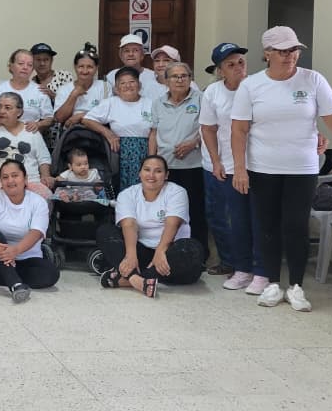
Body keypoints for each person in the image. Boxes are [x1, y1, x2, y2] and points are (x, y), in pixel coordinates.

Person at [230, 26, 332, 312]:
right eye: (282, 51)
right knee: (267, 226)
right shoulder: (251, 85)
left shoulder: (313, 80)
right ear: (267, 53)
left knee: (295, 226)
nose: (290, 55)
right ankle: (271, 283)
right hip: (263, 166)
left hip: (302, 168)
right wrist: (240, 168)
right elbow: (239, 130)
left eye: (294, 50)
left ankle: (295, 286)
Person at [201, 43, 266, 293]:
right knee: (236, 220)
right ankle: (242, 269)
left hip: (260, 165)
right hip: (228, 166)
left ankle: (262, 271)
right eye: (231, 64)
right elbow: (208, 129)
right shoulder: (213, 92)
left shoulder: (258, 87)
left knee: (259, 220)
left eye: (241, 62)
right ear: (220, 71)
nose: (238, 68)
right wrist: (216, 161)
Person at [98, 155, 204, 297]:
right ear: (140, 173)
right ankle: (139, 279)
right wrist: (130, 255)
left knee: (192, 249)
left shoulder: (177, 192)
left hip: (169, 253)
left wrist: (161, 251)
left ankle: (128, 278)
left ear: (166, 175)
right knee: (105, 231)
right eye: (147, 170)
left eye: (158, 171)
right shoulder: (127, 194)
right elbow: (129, 224)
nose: (151, 175)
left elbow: (172, 223)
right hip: (140, 252)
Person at [0, 159, 60, 303]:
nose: (10, 181)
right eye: (5, 177)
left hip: (25, 259)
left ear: (25, 179)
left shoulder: (38, 202)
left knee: (51, 274)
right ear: (1, 181)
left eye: (15, 176)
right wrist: (1, 250)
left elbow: (36, 233)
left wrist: (15, 250)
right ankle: (16, 284)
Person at [148, 61, 208, 260]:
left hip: (193, 166)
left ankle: (199, 256)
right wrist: (152, 161)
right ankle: (167, 253)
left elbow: (209, 129)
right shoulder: (158, 103)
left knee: (195, 212)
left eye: (184, 76)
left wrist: (193, 143)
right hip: (166, 168)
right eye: (175, 76)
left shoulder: (201, 99)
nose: (180, 80)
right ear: (166, 81)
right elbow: (153, 133)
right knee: (166, 212)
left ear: (190, 79)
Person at [83, 66, 155, 191]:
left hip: (144, 151)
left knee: (144, 188)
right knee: (119, 188)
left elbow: (154, 132)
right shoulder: (111, 103)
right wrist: (108, 133)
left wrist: (151, 158)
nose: (128, 86)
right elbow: (87, 119)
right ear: (116, 89)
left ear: (139, 85)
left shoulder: (150, 104)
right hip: (118, 152)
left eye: (132, 82)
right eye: (123, 83)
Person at [0, 92, 54, 201]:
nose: (2, 111)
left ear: (19, 112)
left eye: (7, 108)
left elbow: (43, 159)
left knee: (45, 197)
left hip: (30, 181)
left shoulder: (31, 131)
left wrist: (45, 176)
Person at [53, 43, 110, 128]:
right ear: (75, 67)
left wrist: (81, 116)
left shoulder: (104, 86)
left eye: (90, 67)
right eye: (81, 66)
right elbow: (59, 118)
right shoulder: (64, 89)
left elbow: (108, 113)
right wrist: (73, 95)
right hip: (72, 132)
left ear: (96, 68)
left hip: (97, 131)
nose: (85, 71)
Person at [2, 49, 55, 135]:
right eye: (21, 64)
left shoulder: (39, 90)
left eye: (30, 65)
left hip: (31, 137)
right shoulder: (0, 89)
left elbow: (50, 119)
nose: (25, 67)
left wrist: (38, 124)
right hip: (3, 136)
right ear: (11, 66)